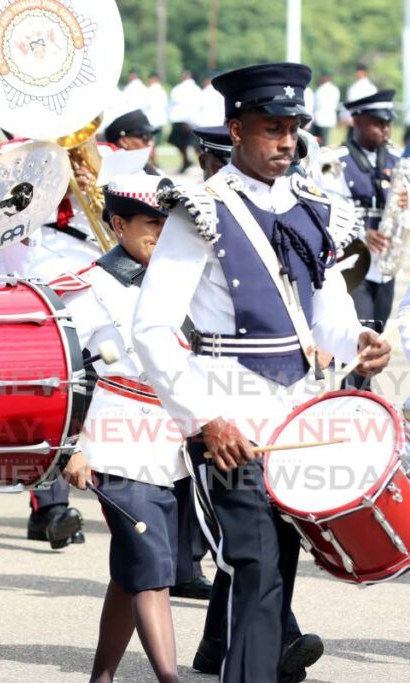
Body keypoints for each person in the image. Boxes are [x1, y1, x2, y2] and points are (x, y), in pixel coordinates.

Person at [133, 62, 391, 683]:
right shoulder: (200, 212)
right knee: (253, 564)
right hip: (226, 409)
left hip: (297, 413)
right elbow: (151, 327)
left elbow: (326, 313)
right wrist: (205, 418)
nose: (286, 141)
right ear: (237, 128)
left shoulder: (315, 209)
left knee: (278, 563)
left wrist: (358, 336)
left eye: (294, 128)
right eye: (271, 128)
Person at [56, 174, 187, 683]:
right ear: (118, 224)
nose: (163, 232)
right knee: (152, 568)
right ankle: (169, 678)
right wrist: (72, 447)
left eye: (168, 223)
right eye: (153, 222)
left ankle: (102, 676)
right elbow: (58, 375)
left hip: (172, 445)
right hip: (110, 441)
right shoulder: (85, 290)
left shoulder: (184, 283)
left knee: (135, 568)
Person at [322, 90, 405, 389]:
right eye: (377, 123)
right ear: (356, 120)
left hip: (385, 263)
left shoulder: (396, 159)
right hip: (353, 261)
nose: (385, 129)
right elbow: (327, 207)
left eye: (387, 124)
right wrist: (360, 231)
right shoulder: (335, 160)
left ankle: (362, 394)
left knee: (377, 331)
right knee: (358, 330)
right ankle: (353, 394)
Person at [104, 109, 160, 175]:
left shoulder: (154, 172)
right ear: (123, 141)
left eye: (151, 137)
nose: (151, 143)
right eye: (145, 137)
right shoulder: (109, 174)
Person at [167, 70, 201, 173]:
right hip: (182, 119)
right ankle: (186, 162)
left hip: (186, 120)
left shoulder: (192, 89)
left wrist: (189, 120)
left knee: (195, 146)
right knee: (181, 144)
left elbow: (194, 106)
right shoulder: (186, 89)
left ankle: (203, 163)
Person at [312, 72, 340, 143]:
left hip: (320, 118)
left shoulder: (320, 90)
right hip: (328, 119)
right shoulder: (335, 89)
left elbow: (316, 105)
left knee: (320, 142)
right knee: (324, 142)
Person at [145, 73, 169, 144]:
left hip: (150, 120)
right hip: (160, 120)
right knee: (157, 141)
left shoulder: (149, 90)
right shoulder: (162, 91)